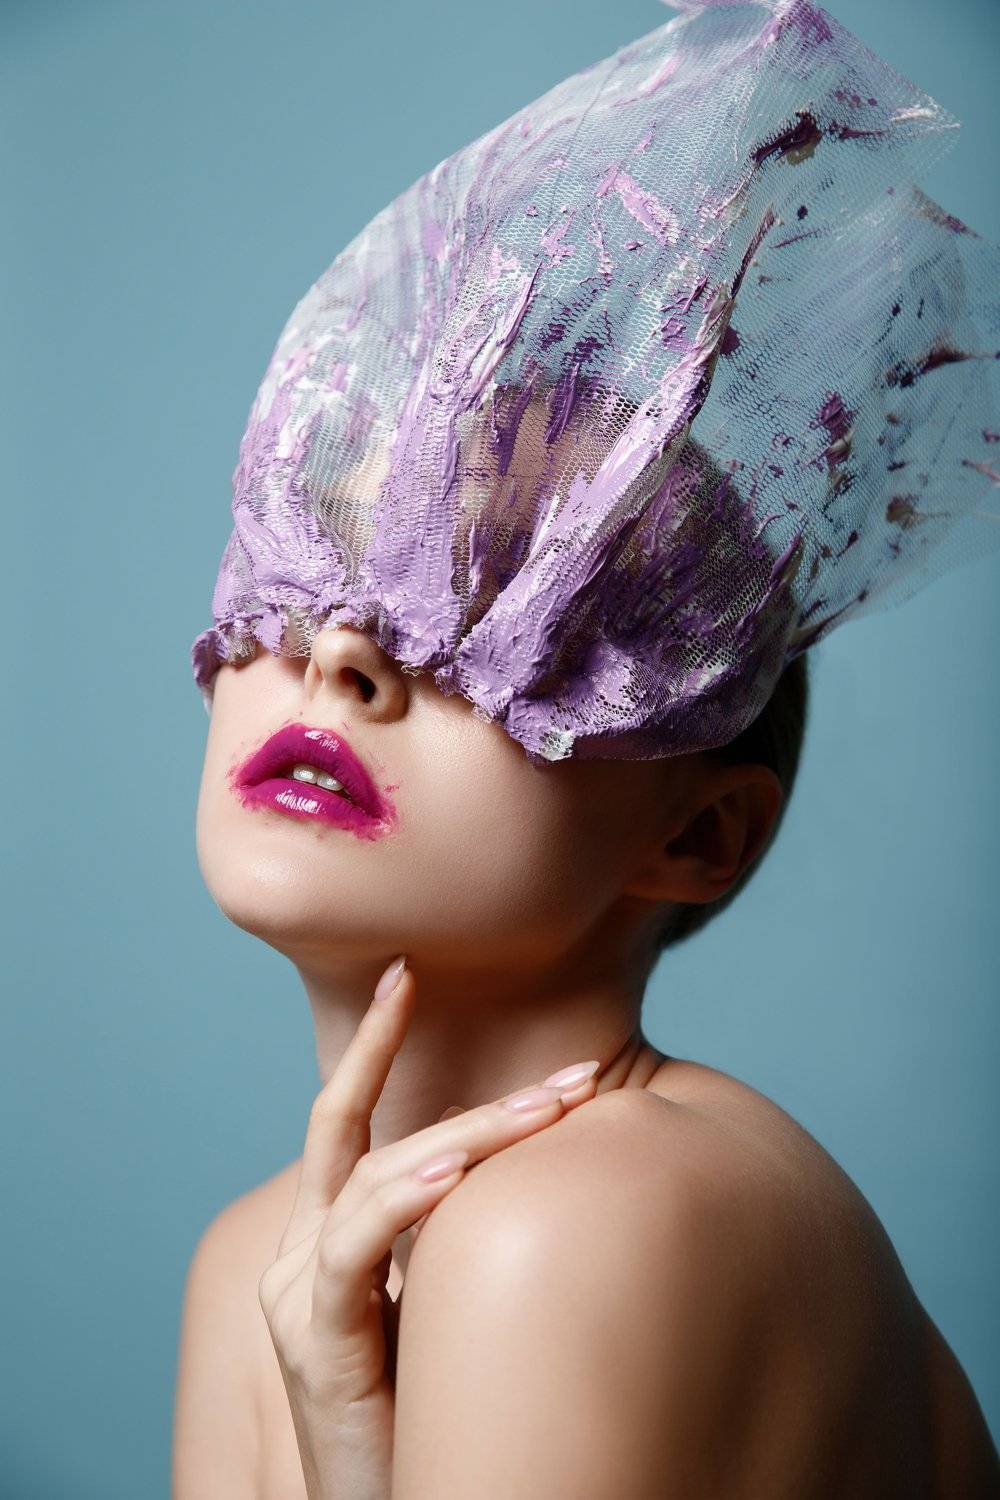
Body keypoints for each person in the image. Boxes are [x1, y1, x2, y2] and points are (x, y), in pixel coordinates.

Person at [171, 0, 1000, 1492]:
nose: (343, 653)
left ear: (698, 834)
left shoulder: (594, 1214)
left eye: (518, 620)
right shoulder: (265, 1275)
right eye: (312, 558)